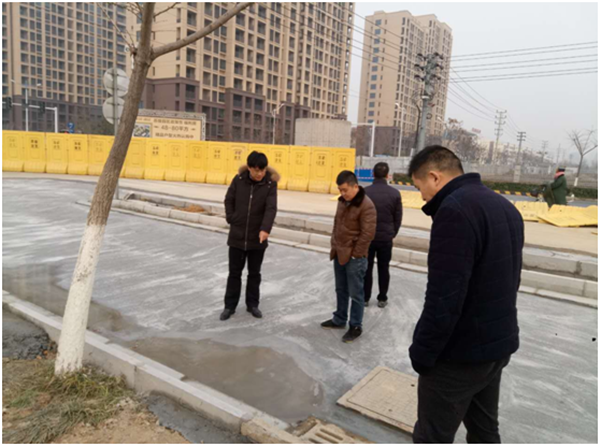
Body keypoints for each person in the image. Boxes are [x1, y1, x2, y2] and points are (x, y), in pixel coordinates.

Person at [407, 146, 524, 444]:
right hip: (496, 346)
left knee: (432, 436)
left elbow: (444, 297)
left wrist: (422, 352)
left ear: (434, 177)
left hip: (459, 355)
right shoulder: (504, 206)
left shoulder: (454, 211)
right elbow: (512, 280)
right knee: (484, 431)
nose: (422, 198)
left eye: (420, 188)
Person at [220, 151, 278, 321]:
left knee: (254, 273)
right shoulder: (238, 180)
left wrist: (265, 229)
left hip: (257, 237)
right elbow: (228, 199)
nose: (260, 174)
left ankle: (252, 304)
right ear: (250, 168)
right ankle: (229, 306)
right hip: (237, 236)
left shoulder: (270, 184)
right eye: (256, 170)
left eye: (263, 170)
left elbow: (271, 208)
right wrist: (232, 218)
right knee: (234, 273)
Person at [321, 170, 377, 343]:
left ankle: (355, 325)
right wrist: (334, 243)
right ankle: (339, 319)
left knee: (356, 293)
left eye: (345, 190)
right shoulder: (342, 201)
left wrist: (356, 255)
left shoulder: (366, 205)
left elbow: (367, 234)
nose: (342, 193)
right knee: (341, 289)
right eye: (340, 190)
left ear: (355, 186)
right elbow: (337, 224)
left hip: (355, 258)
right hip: (339, 252)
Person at [363, 162, 403, 308]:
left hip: (368, 238)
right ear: (387, 175)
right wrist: (392, 233)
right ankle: (382, 297)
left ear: (373, 174)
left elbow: (360, 216)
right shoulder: (395, 193)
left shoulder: (365, 192)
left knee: (366, 268)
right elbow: (398, 218)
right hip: (386, 238)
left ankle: (365, 297)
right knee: (384, 268)